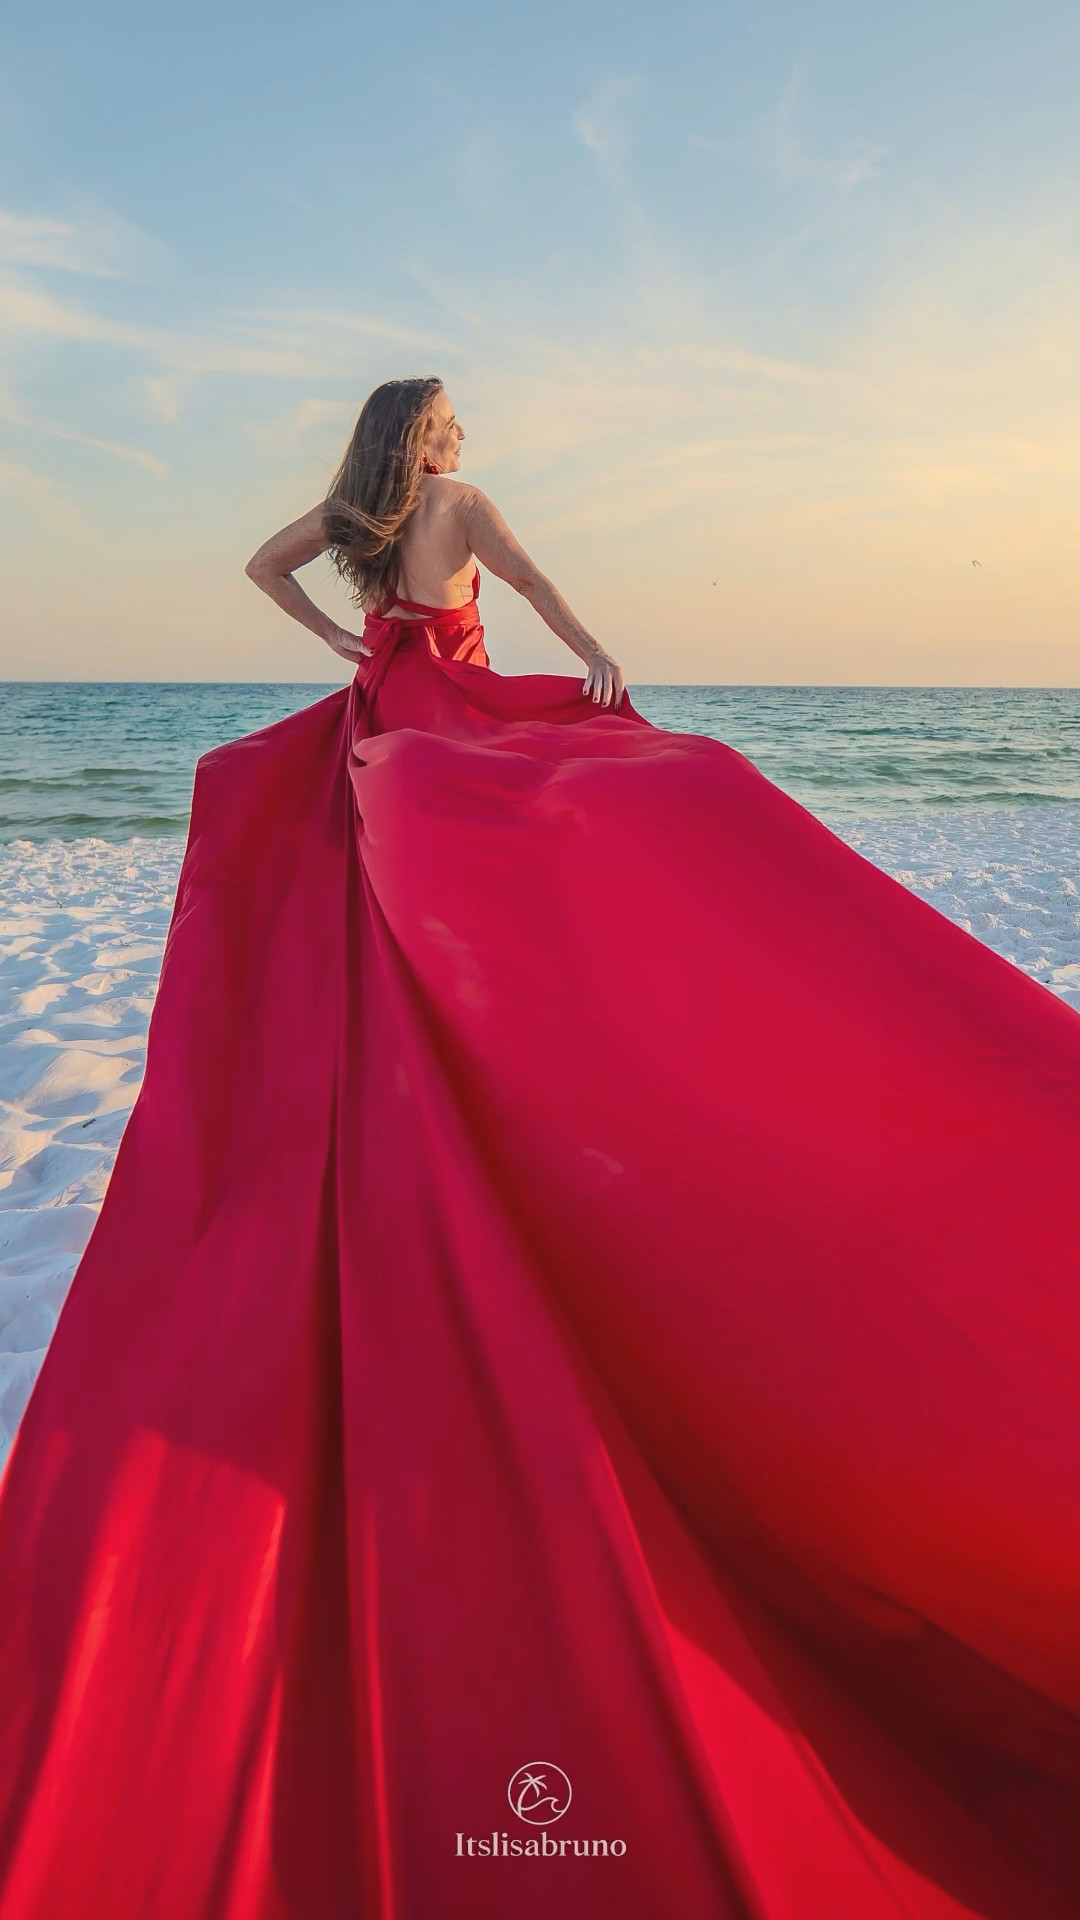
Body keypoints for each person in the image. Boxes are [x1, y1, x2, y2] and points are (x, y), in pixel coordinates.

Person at [0, 374, 1078, 1920]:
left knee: (371, 888)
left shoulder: (365, 514)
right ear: (427, 437)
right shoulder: (456, 508)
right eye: (450, 422)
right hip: (442, 720)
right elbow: (539, 588)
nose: (459, 441)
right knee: (637, 793)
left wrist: (343, 651)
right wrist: (593, 663)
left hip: (382, 720)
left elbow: (261, 566)